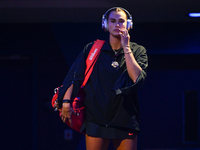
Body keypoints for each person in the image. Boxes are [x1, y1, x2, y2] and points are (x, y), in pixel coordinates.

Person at [57, 7, 148, 150]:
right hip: (96, 118)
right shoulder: (92, 49)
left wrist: (126, 47)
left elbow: (137, 78)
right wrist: (66, 102)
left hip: (125, 118)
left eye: (121, 21)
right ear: (105, 25)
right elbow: (75, 76)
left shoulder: (138, 50)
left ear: (129, 25)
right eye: (113, 21)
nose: (117, 25)